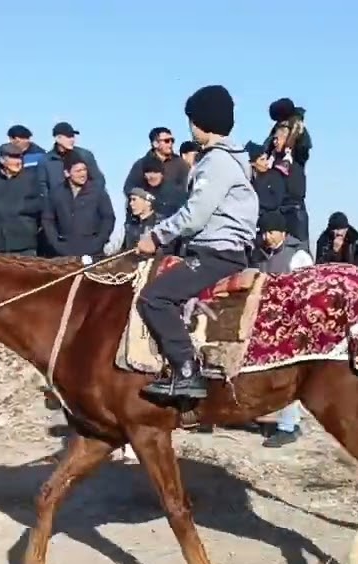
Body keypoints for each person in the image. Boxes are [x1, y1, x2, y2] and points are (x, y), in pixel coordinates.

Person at [134, 84, 258, 400]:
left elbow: (196, 214)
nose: (189, 127)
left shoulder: (216, 162)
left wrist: (156, 235)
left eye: (191, 120)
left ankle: (187, 371)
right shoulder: (233, 158)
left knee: (154, 298)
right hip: (224, 250)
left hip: (217, 253)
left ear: (202, 122)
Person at [250, 212, 314, 447]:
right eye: (263, 232)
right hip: (263, 321)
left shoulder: (298, 256)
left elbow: (307, 292)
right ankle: (266, 416)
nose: (266, 237)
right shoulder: (258, 254)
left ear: (283, 233)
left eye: (271, 232)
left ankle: (289, 426)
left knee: (287, 375)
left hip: (290, 323)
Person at [42, 155, 116, 259]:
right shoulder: (56, 193)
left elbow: (108, 218)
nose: (83, 174)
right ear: (67, 173)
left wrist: (99, 242)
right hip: (64, 253)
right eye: (78, 171)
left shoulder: (98, 192)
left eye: (84, 170)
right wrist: (56, 243)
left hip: (93, 252)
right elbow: (48, 220)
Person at [0, 144, 44, 256]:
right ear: (2, 160)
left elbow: (40, 204)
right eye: (13, 158)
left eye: (19, 158)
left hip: (25, 245)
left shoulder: (31, 179)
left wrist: (19, 208)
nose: (18, 162)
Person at [39, 122, 106, 198]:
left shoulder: (85, 155)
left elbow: (98, 179)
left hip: (85, 202)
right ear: (58, 138)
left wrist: (90, 199)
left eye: (73, 136)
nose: (72, 140)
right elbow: (43, 188)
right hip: (58, 203)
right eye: (68, 137)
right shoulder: (46, 160)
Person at [122, 126, 190, 195]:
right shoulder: (141, 164)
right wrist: (145, 195)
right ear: (155, 144)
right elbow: (128, 188)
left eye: (172, 140)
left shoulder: (180, 163)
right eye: (166, 141)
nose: (170, 143)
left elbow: (188, 187)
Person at [248, 142, 287, 218]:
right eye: (262, 160)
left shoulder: (274, 176)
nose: (266, 163)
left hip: (272, 219)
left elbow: (275, 202)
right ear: (252, 163)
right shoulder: (247, 179)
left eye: (266, 159)